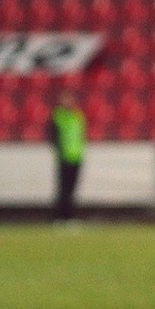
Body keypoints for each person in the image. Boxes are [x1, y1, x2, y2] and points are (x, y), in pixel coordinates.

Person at [49, 88, 86, 222]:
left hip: (77, 156)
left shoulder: (78, 116)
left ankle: (69, 216)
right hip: (64, 157)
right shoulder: (58, 115)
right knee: (63, 189)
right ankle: (60, 216)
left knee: (72, 190)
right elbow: (53, 136)